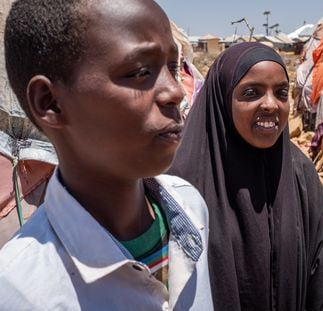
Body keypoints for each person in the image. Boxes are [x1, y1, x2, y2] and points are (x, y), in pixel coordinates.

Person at [0, 0, 213, 310]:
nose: (176, 91)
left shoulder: (190, 209)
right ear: (50, 103)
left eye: (171, 66)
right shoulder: (19, 289)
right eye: (141, 72)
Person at [169, 42, 323, 311]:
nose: (270, 105)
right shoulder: (181, 183)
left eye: (281, 93)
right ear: (222, 99)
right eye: (251, 93)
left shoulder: (299, 175)